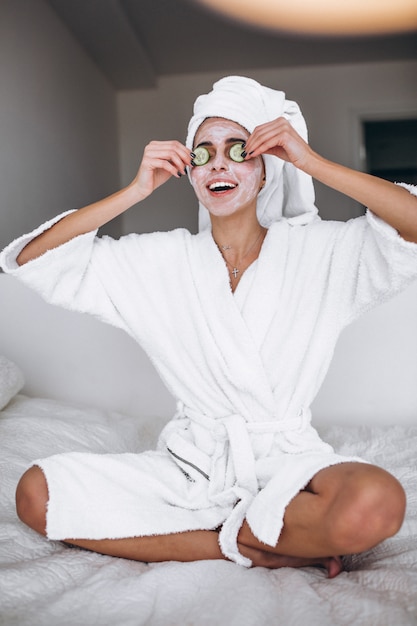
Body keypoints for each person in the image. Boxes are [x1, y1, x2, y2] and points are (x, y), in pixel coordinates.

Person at [1, 76, 417, 579]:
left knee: (376, 501)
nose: (218, 163)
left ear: (266, 170)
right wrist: (135, 191)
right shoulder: (160, 260)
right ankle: (245, 543)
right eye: (203, 153)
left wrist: (310, 161)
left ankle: (226, 532)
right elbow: (31, 259)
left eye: (238, 149)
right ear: (191, 174)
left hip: (284, 463)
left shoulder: (321, 252)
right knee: (36, 493)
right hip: (189, 467)